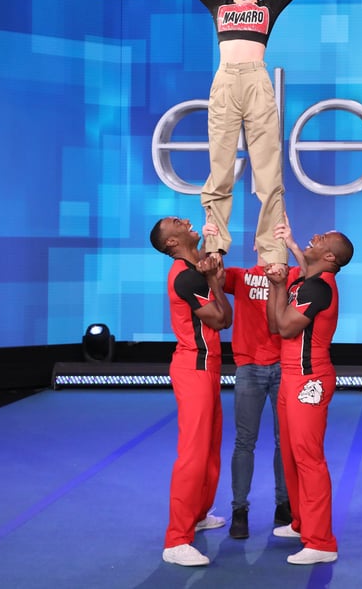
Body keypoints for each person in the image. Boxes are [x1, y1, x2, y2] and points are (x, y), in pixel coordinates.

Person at [128, 0, 353, 271]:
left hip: (257, 83)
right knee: (219, 168)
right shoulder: (218, 3)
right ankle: (215, 246)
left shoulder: (268, 7)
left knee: (268, 172)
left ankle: (273, 253)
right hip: (225, 83)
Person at [206, 220, 305, 539]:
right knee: (244, 441)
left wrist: (291, 243)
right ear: (254, 246)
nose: (266, 245)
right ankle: (239, 510)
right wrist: (214, 240)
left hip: (283, 367)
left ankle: (283, 505)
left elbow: (309, 272)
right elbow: (215, 275)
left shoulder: (289, 276)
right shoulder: (241, 275)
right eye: (261, 240)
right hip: (248, 367)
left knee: (283, 441)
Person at [149, 216, 234, 567]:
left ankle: (198, 515)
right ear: (171, 242)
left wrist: (212, 267)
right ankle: (176, 540)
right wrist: (214, 281)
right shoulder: (185, 276)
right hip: (194, 367)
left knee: (211, 448)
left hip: (208, 366)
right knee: (193, 455)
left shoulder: (193, 269)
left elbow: (221, 315)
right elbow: (221, 319)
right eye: (176, 222)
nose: (185, 220)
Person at [265, 230, 354, 565]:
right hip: (290, 376)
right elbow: (276, 326)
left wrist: (280, 285)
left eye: (323, 238)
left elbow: (287, 328)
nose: (314, 236)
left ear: (330, 257)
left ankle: (321, 542)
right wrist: (277, 283)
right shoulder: (307, 281)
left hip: (309, 379)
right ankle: (302, 523)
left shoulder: (318, 287)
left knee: (309, 459)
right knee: (289, 455)